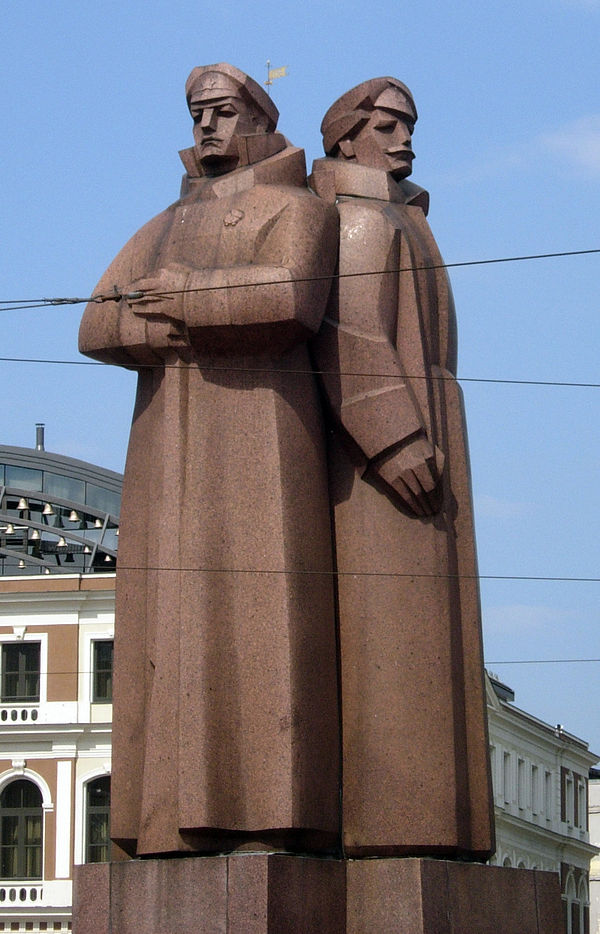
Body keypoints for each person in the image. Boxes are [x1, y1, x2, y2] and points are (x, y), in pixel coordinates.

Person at [79, 64, 340, 858]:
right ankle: (162, 823)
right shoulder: (159, 224)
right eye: (197, 113)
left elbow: (291, 299)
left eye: (222, 111)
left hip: (264, 440)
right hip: (167, 449)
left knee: (266, 619)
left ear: (258, 118)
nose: (205, 127)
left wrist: (181, 299)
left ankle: (270, 813)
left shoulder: (296, 210)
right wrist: (169, 329)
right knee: (170, 626)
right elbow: (95, 322)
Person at [310, 77, 495, 859]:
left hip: (429, 436)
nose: (404, 137)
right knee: (395, 638)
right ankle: (401, 827)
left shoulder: (401, 217)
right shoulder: (358, 218)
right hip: (386, 469)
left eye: (410, 124)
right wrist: (392, 437)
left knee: (434, 642)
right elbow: (347, 333)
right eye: (386, 124)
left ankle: (437, 828)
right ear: (347, 138)